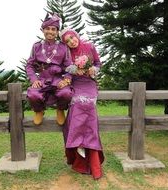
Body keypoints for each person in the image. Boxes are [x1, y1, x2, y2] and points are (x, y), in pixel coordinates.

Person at [60, 28, 104, 180]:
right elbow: (64, 69)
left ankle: (92, 156)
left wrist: (93, 69)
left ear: (76, 35)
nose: (72, 41)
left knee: (89, 107)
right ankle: (78, 148)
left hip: (89, 84)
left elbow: (98, 63)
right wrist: (73, 70)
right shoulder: (66, 53)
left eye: (72, 38)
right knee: (77, 106)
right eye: (67, 41)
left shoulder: (89, 46)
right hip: (76, 84)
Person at [25, 13, 73, 126]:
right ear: (43, 30)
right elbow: (29, 65)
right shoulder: (36, 46)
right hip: (42, 80)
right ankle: (39, 111)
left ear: (57, 32)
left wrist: (66, 79)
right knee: (33, 94)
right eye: (47, 28)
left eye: (53, 29)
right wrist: (33, 79)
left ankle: (60, 110)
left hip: (57, 80)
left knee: (66, 93)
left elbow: (69, 68)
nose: (50, 32)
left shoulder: (63, 47)